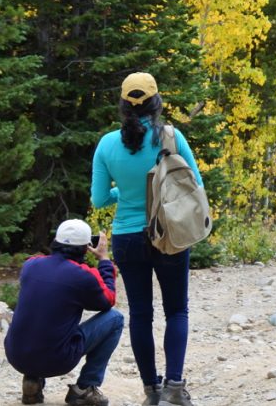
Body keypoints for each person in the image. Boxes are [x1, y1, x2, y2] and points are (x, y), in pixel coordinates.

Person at [91, 72, 202, 406]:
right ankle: (174, 388)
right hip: (170, 233)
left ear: (123, 105)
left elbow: (98, 199)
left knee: (141, 314)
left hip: (127, 237)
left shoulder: (107, 144)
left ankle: (151, 391)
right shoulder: (171, 137)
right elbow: (194, 184)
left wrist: (122, 192)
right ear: (157, 103)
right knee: (176, 311)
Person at [4, 220, 123, 406]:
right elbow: (107, 301)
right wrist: (104, 260)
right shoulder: (83, 275)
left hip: (16, 356)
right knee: (115, 319)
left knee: (41, 319)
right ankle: (84, 388)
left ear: (56, 242)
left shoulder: (31, 265)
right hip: (57, 360)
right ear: (86, 248)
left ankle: (32, 381)